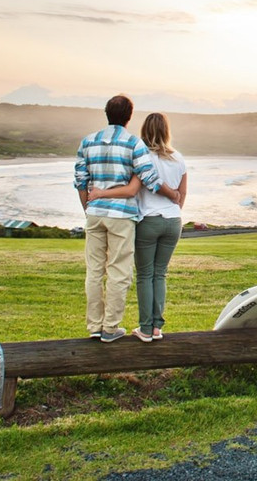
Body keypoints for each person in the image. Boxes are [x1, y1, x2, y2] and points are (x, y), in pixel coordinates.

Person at [89, 112, 187, 342]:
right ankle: (157, 328)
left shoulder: (141, 155)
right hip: (173, 221)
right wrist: (173, 205)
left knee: (145, 275)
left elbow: (134, 187)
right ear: (167, 131)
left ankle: (145, 328)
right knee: (160, 274)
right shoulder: (178, 158)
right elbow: (182, 195)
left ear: (144, 130)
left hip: (148, 220)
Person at [74, 94, 164, 343]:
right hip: (121, 215)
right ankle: (110, 328)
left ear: (107, 114)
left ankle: (94, 325)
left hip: (95, 213)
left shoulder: (88, 142)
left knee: (94, 270)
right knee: (119, 272)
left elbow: (80, 181)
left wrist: (87, 208)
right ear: (129, 116)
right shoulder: (133, 143)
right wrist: (173, 194)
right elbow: (150, 177)